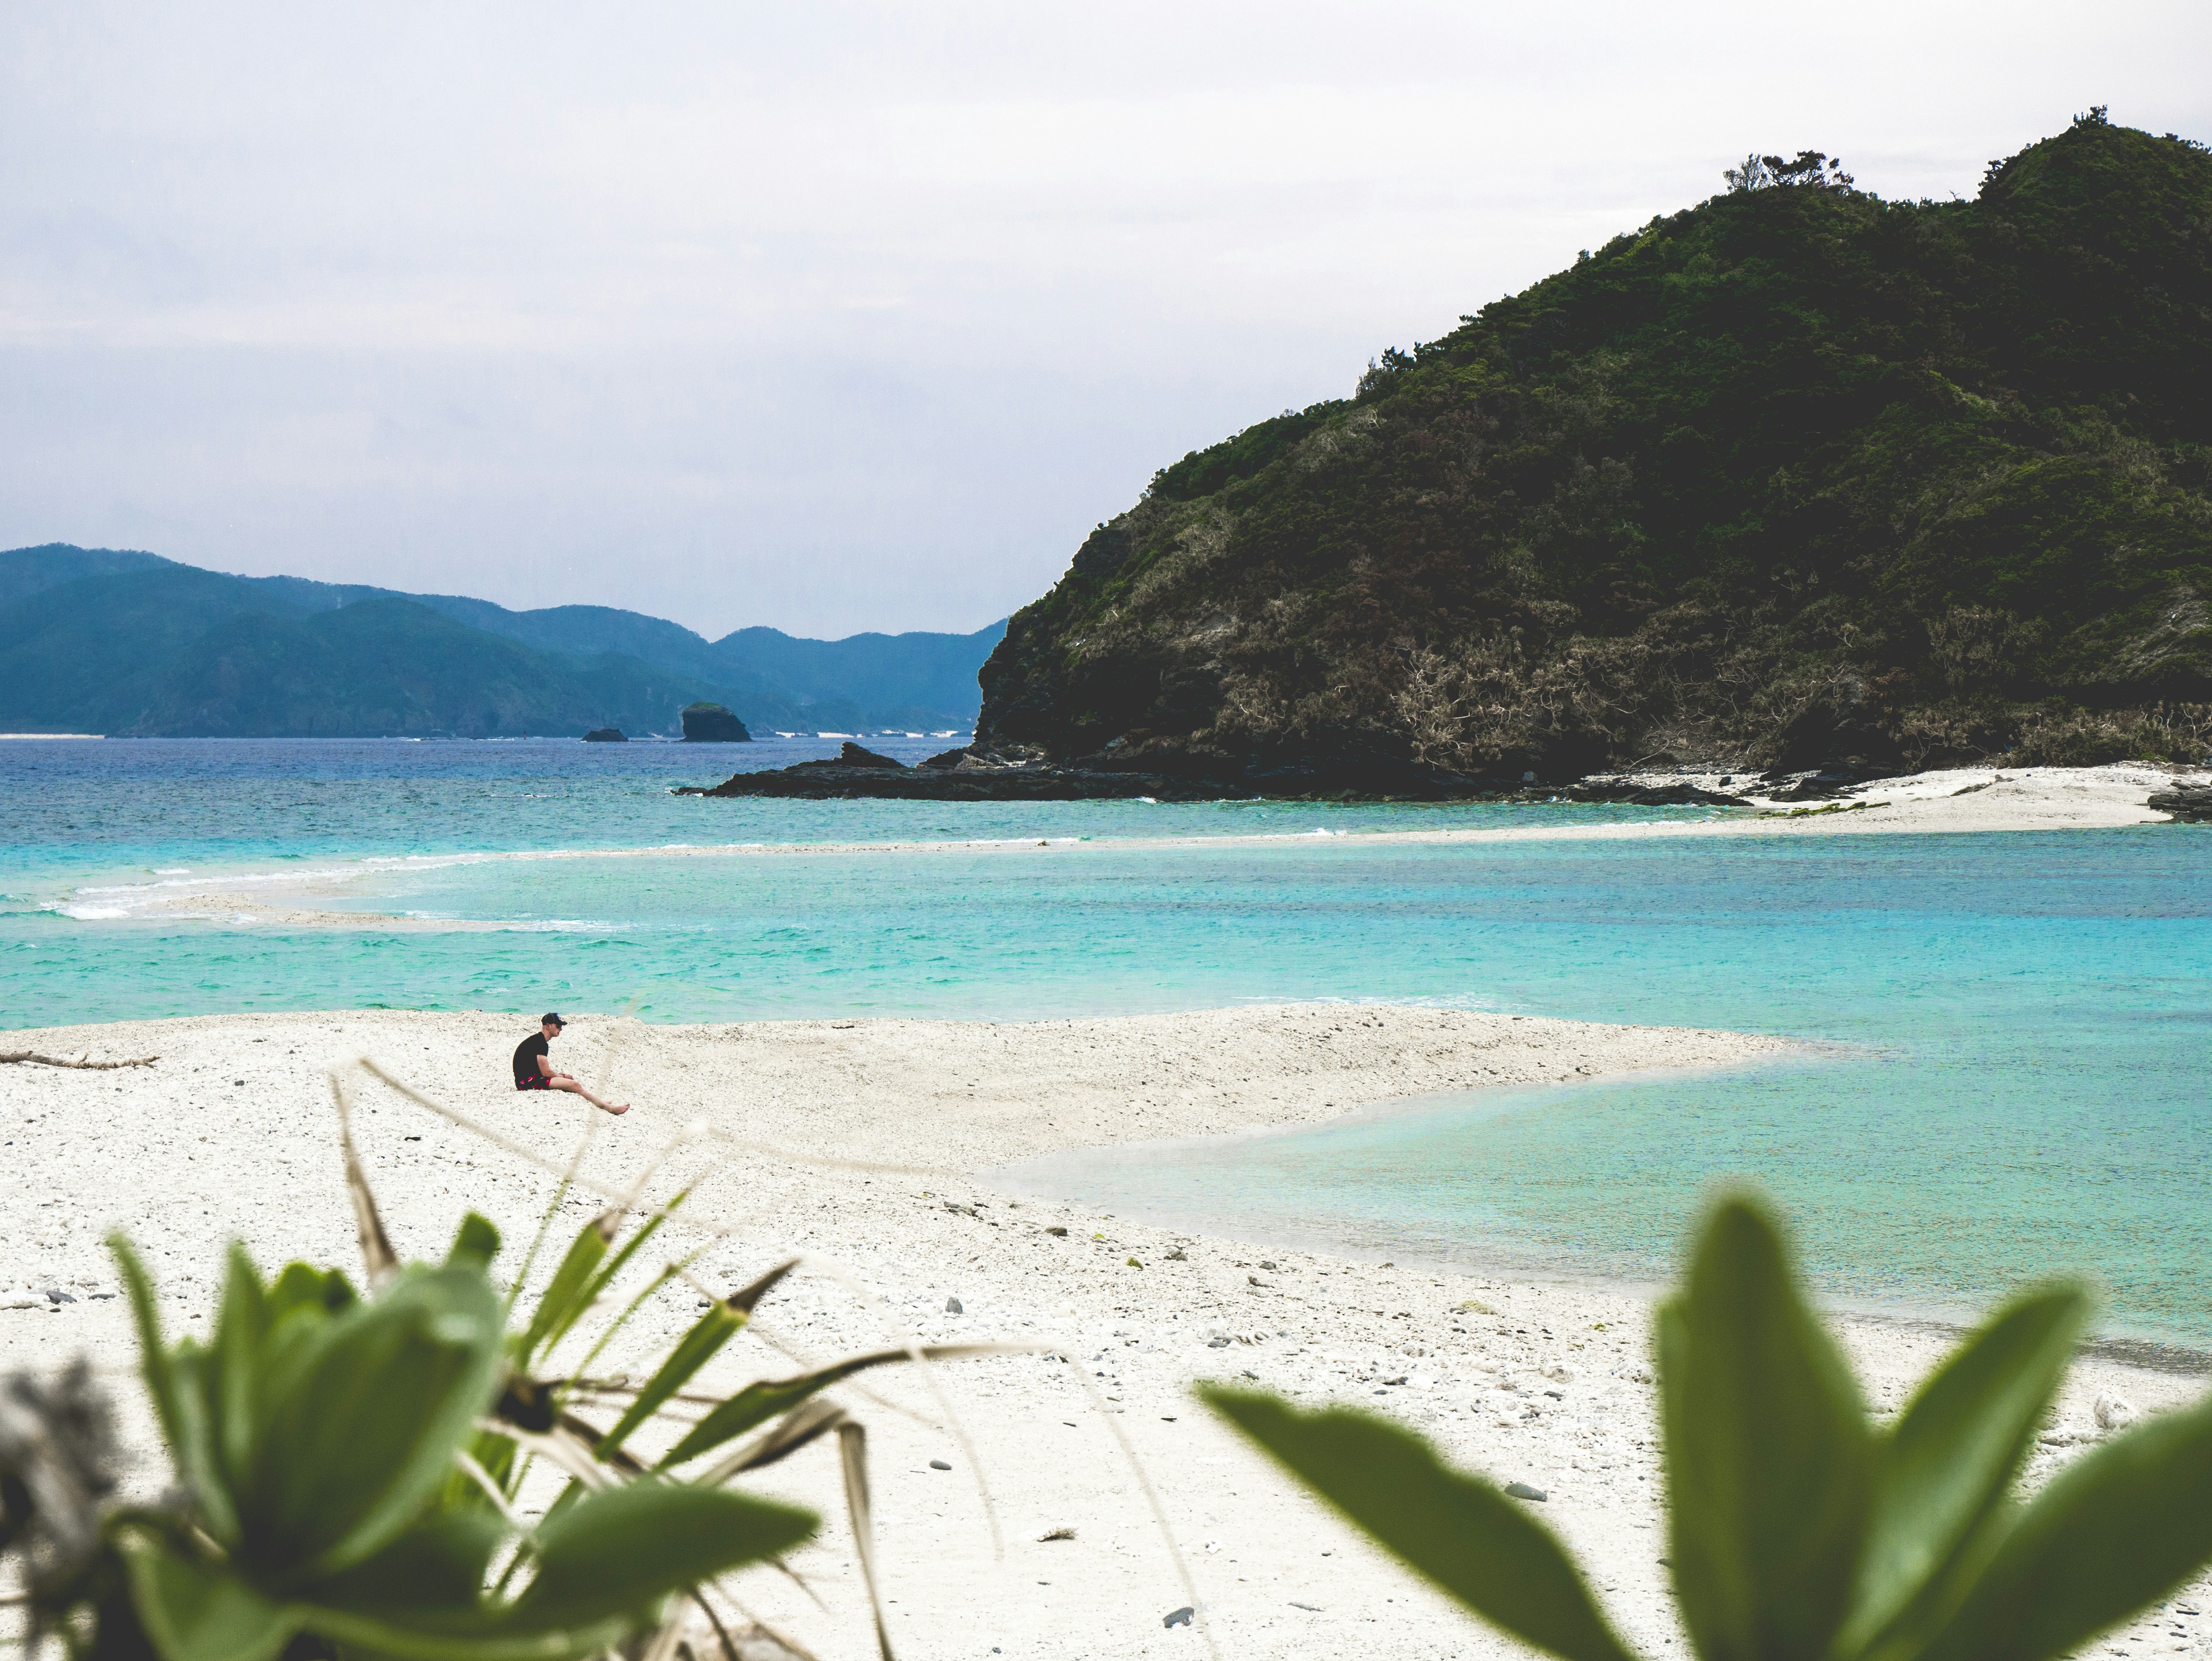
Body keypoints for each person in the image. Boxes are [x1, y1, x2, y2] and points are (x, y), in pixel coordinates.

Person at [512, 1013, 629, 1115]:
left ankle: (599, 1102)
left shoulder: (537, 1040)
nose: (561, 1029)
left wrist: (560, 1076)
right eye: (558, 1026)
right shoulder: (540, 1043)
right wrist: (563, 1077)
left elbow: (542, 1070)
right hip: (527, 1082)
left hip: (528, 1079)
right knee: (575, 1085)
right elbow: (546, 1072)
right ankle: (608, 1108)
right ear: (548, 1026)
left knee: (568, 1085)